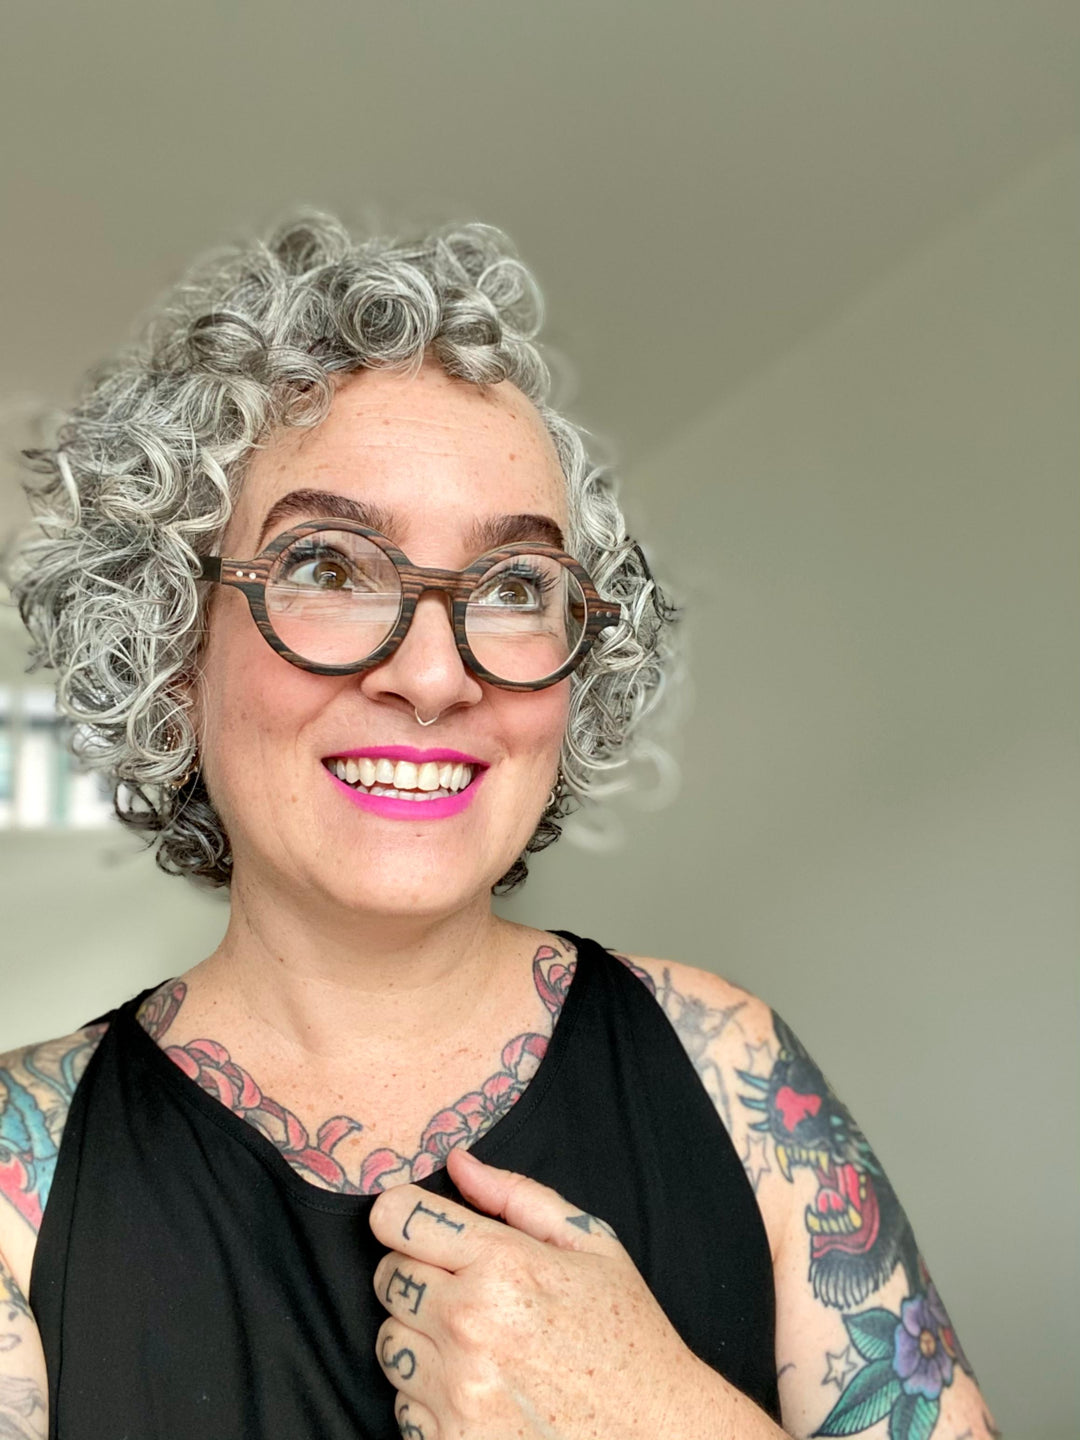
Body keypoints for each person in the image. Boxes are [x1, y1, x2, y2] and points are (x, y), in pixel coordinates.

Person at [0, 212, 998, 1440]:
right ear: (169, 650)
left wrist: (665, 1419)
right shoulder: (20, 1181)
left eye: (515, 587)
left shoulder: (730, 1068)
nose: (433, 676)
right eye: (325, 567)